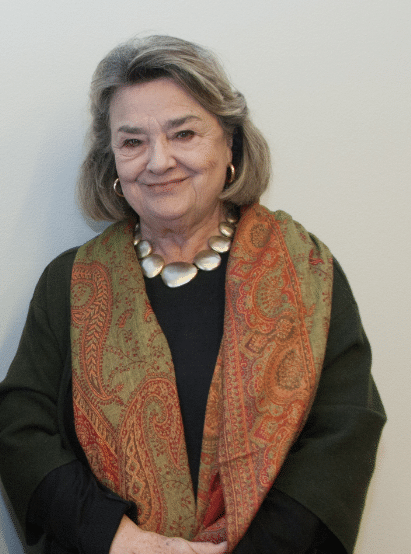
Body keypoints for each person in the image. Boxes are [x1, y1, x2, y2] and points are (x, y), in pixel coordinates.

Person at [0, 35, 386, 554]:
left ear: (230, 144)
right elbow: (20, 426)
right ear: (112, 162)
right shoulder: (69, 282)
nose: (158, 161)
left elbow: (344, 428)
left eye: (183, 133)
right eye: (132, 142)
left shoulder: (306, 270)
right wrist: (120, 539)